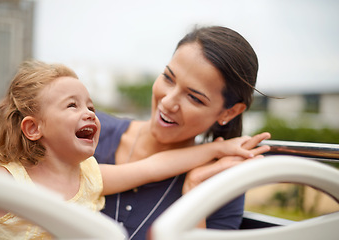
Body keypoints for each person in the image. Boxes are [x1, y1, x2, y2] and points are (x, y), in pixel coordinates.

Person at [0, 60, 268, 239]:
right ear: (33, 129)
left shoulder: (90, 178)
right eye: (72, 105)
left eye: (91, 106)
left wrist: (216, 149)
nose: (91, 113)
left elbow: (155, 166)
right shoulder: (7, 181)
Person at [94, 25, 270, 240]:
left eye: (194, 97)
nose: (168, 102)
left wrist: (195, 194)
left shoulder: (220, 184)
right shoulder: (89, 131)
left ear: (230, 112)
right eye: (168, 78)